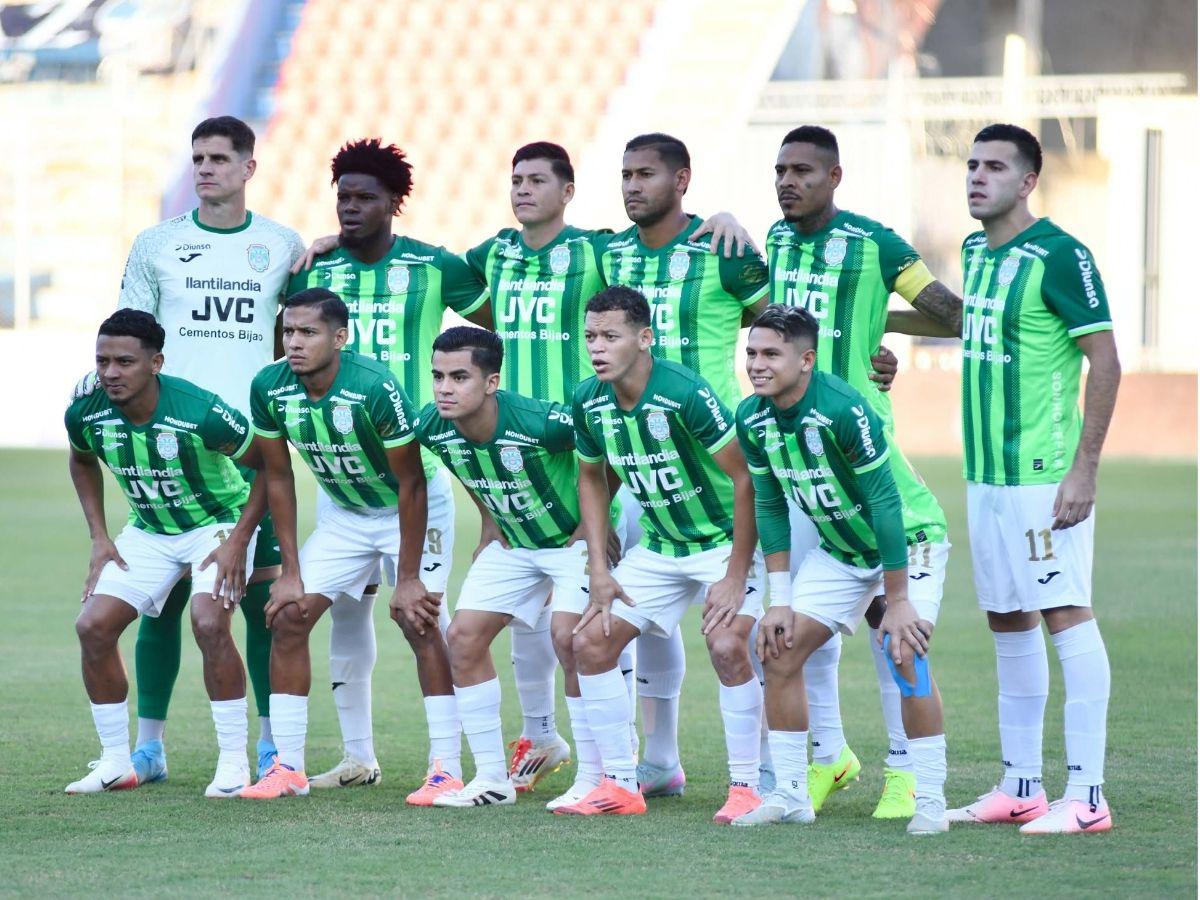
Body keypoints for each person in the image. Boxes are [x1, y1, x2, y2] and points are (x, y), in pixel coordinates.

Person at [81, 115, 305, 783]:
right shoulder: (157, 244)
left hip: (248, 443)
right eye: (198, 158)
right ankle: (148, 748)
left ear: (248, 168)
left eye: (218, 158)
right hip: (172, 441)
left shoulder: (280, 244)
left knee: (258, 600)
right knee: (162, 598)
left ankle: (269, 745)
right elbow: (131, 329)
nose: (205, 168)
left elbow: (299, 330)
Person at [765, 125, 959, 816]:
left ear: (835, 176)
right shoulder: (776, 240)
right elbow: (763, 317)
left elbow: (952, 314)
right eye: (781, 171)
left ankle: (907, 771)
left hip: (857, 446)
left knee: (889, 625)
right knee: (799, 635)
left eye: (803, 171)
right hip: (798, 458)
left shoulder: (877, 245)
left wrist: (882, 329)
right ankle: (827, 759)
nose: (789, 182)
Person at [285, 139, 484, 796]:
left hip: (412, 476)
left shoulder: (434, 266)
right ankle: (357, 758)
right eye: (342, 197)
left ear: (396, 202)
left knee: (422, 616)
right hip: (343, 485)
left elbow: (494, 327)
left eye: (365, 197)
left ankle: (449, 762)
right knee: (343, 617)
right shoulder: (314, 271)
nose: (350, 207)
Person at [936, 124, 1120, 834]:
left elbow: (1105, 361)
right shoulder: (975, 251)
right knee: (1007, 618)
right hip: (985, 473)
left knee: (1064, 611)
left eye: (995, 167)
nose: (978, 177)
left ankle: (1089, 797)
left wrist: (1084, 468)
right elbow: (974, 326)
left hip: (1043, 475)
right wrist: (880, 334)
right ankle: (1021, 786)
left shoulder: (1062, 255)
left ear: (1028, 181)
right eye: (972, 165)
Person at [731, 305, 949, 835]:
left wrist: (898, 601)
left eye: (771, 354)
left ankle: (931, 800)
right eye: (752, 353)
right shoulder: (752, 416)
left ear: (806, 360)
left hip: (909, 540)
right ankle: (790, 795)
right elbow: (769, 504)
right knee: (776, 646)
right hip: (843, 550)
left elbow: (886, 503)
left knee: (904, 651)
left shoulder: (844, 409)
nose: (757, 364)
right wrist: (779, 600)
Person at [562, 286, 765, 822]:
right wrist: (599, 568)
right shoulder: (588, 399)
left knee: (726, 644)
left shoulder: (684, 392)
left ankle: (748, 786)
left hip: (722, 543)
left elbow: (745, 478)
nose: (597, 347)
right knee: (589, 643)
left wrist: (735, 574)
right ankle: (620, 783)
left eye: (610, 336)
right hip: (658, 546)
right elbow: (591, 477)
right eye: (590, 336)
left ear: (644, 338)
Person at [239, 289, 437, 801]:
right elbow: (277, 477)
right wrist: (290, 571)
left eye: (308, 332)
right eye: (288, 331)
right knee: (289, 615)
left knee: (420, 620)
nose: (295, 342)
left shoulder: (373, 385)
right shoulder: (268, 385)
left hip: (409, 507)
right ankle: (288, 768)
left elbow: (412, 483)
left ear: (339, 337)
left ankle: (445, 768)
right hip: (346, 513)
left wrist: (408, 578)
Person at [416, 326, 619, 810]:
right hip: (516, 545)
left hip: (571, 540)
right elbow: (466, 467)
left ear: (491, 382)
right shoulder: (433, 426)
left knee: (569, 638)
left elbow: (604, 449)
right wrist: (488, 518)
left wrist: (594, 525)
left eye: (459, 377)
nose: (445, 388)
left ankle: (595, 776)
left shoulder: (541, 423)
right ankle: (492, 779)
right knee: (462, 637)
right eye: (438, 376)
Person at [65, 309, 266, 797]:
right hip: (150, 530)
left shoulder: (201, 411)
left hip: (216, 523)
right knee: (92, 626)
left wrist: (238, 539)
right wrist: (99, 536)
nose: (110, 373)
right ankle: (117, 762)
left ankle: (234, 762)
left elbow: (269, 467)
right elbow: (81, 459)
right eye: (102, 361)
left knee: (209, 622)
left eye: (124, 362)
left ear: (155, 363)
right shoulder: (86, 412)